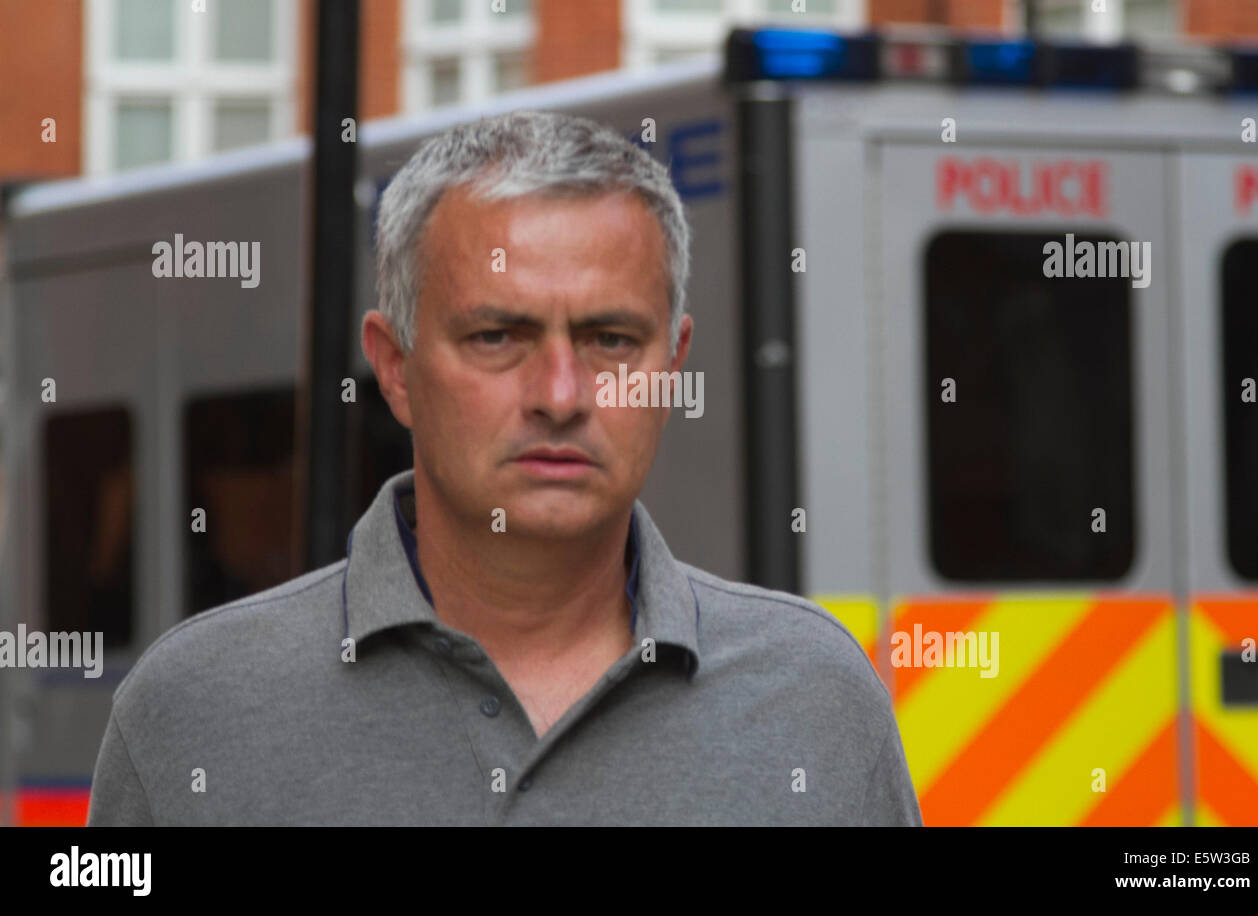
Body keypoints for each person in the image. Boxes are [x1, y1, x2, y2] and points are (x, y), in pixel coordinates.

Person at [88, 111, 922, 825]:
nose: (560, 394)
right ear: (396, 366)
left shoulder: (817, 700)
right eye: (498, 337)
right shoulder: (189, 713)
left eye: (610, 339)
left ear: (672, 362)